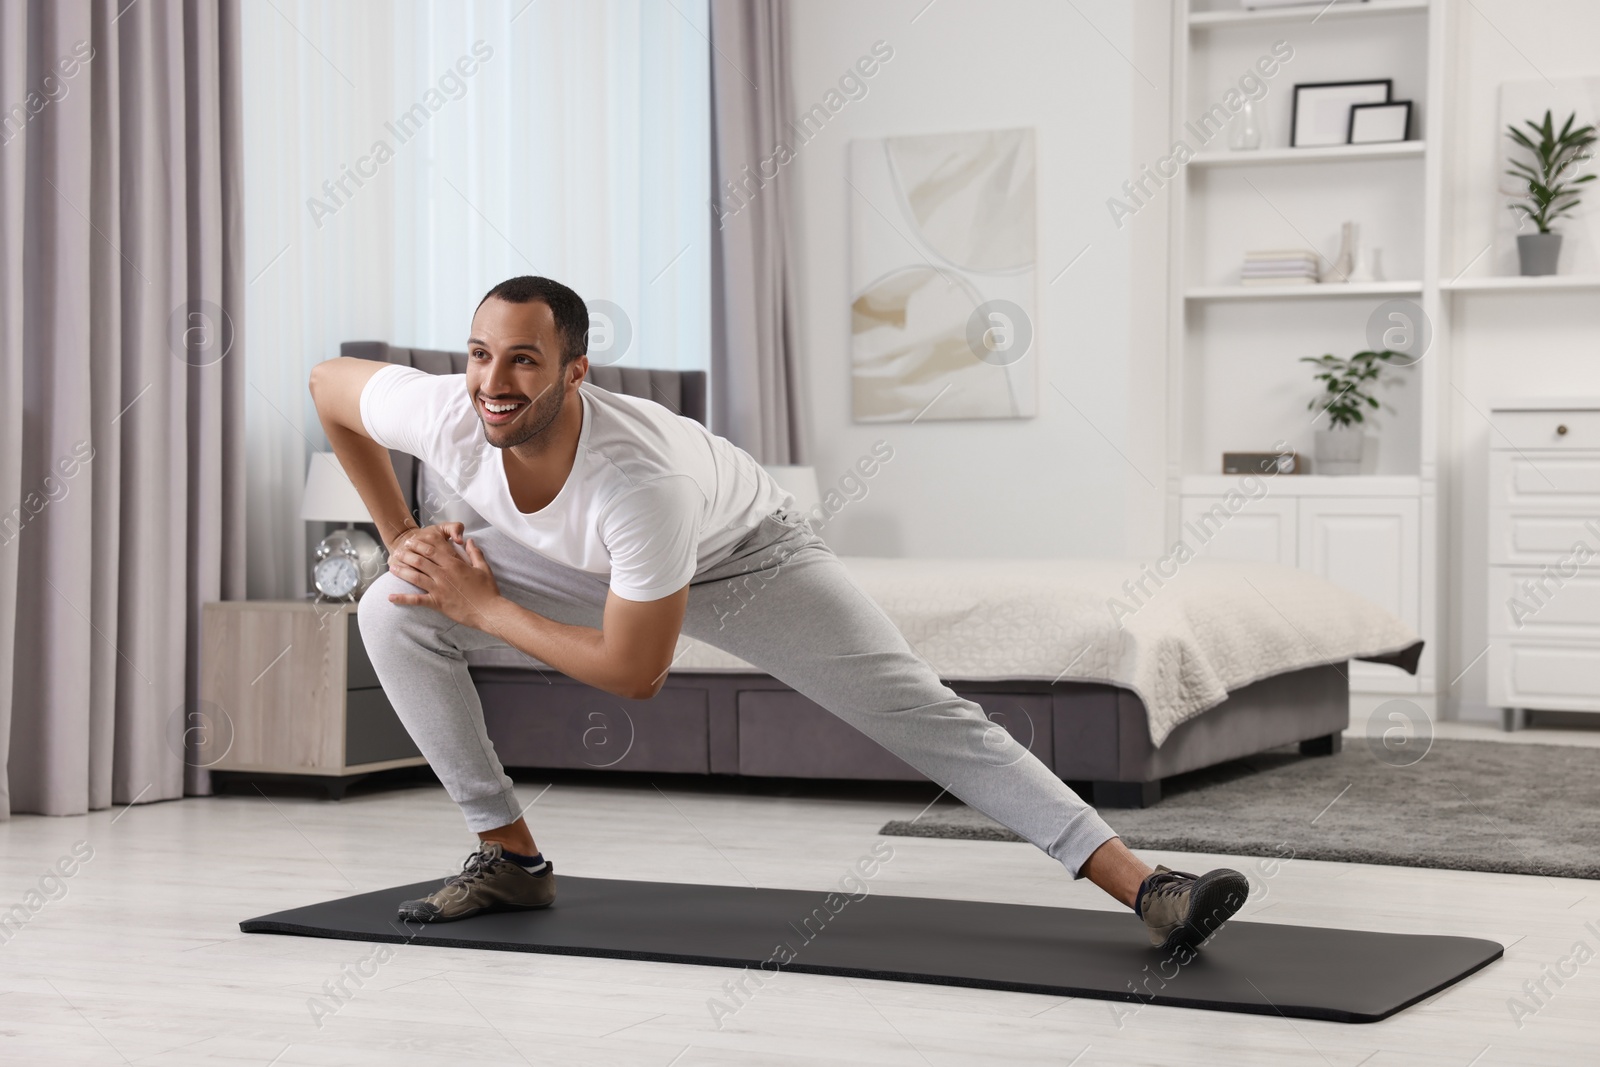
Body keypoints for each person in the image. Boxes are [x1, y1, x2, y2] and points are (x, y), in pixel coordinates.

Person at [308, 275, 1248, 954]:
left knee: (918, 710)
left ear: (575, 370)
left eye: (523, 359)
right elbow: (327, 386)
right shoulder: (447, 411)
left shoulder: (642, 484)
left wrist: (483, 602)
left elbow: (637, 673)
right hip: (565, 563)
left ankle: (1146, 886)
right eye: (479, 355)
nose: (493, 381)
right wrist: (401, 537)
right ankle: (508, 854)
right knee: (392, 606)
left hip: (745, 559)